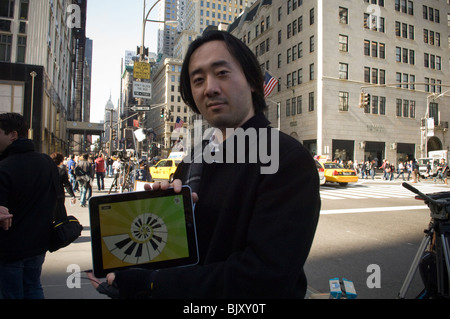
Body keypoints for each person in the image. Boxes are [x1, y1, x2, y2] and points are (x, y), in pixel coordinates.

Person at [88, 30, 321, 299]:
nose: (209, 88)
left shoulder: (286, 159)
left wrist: (153, 283)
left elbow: (263, 278)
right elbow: (182, 254)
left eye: (222, 73)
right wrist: (161, 216)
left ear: (253, 81)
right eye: (197, 80)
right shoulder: (194, 158)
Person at [0, 112, 59, 299]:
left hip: (9, 247)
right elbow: (58, 198)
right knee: (33, 287)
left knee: (11, 293)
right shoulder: (47, 162)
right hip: (39, 243)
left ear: (13, 135)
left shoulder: (4, 166)